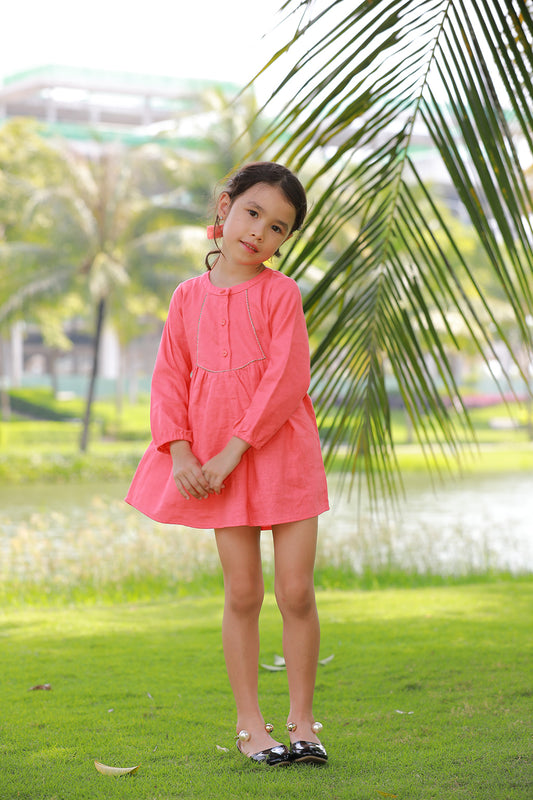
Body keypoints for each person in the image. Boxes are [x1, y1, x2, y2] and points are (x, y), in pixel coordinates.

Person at [126, 162, 329, 766]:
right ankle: (250, 727)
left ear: (284, 240)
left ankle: (302, 723)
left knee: (296, 591)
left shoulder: (281, 293)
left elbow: (286, 379)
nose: (259, 232)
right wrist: (181, 451)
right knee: (242, 592)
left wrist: (233, 450)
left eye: (278, 227)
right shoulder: (186, 297)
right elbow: (170, 377)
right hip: (212, 463)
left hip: (281, 454)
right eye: (252, 213)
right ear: (225, 206)